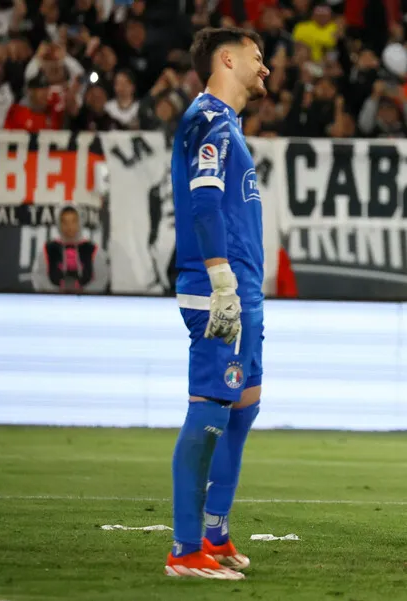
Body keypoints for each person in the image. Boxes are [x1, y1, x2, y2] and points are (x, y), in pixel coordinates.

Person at [165, 26, 269, 579]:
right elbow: (204, 203)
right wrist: (221, 280)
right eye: (257, 57)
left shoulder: (227, 124)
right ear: (226, 59)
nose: (265, 68)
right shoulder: (209, 120)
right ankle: (185, 550)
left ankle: (214, 531)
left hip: (241, 289)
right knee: (209, 407)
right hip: (219, 290)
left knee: (243, 404)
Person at [32, 206, 108, 294]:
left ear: (80, 222)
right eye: (65, 222)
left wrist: (83, 294)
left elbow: (102, 278)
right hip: (54, 300)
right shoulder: (47, 249)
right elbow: (39, 277)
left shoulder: (93, 249)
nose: (69, 226)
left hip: (86, 301)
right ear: (59, 224)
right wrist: (56, 293)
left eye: (73, 221)